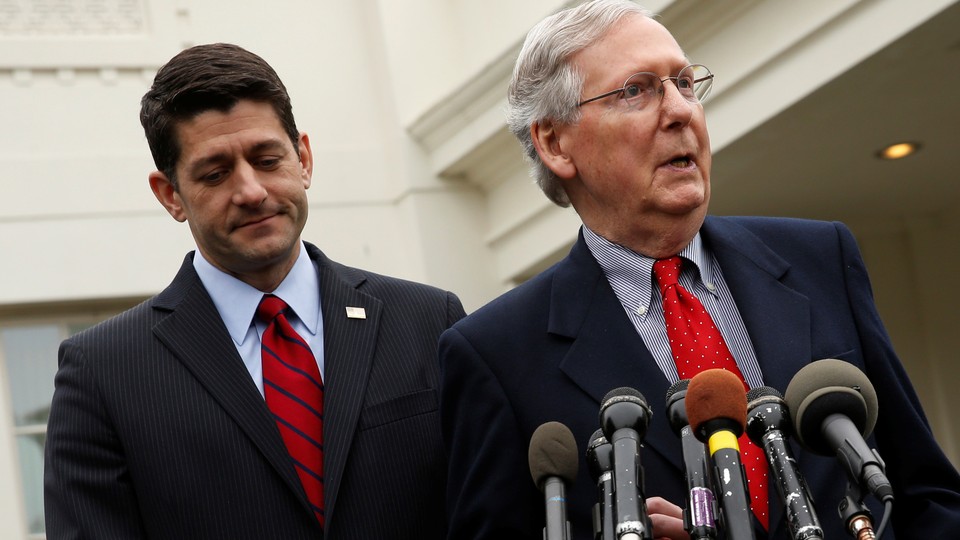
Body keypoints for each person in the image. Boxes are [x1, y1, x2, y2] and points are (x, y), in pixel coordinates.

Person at [438, 1, 960, 539]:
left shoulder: (821, 257)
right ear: (554, 142)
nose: (680, 111)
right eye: (637, 90)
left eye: (685, 83)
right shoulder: (496, 356)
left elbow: (928, 495)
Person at [44, 43, 466, 540]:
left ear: (303, 158)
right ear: (170, 195)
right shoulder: (102, 373)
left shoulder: (427, 320)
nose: (250, 190)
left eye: (267, 159)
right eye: (216, 174)